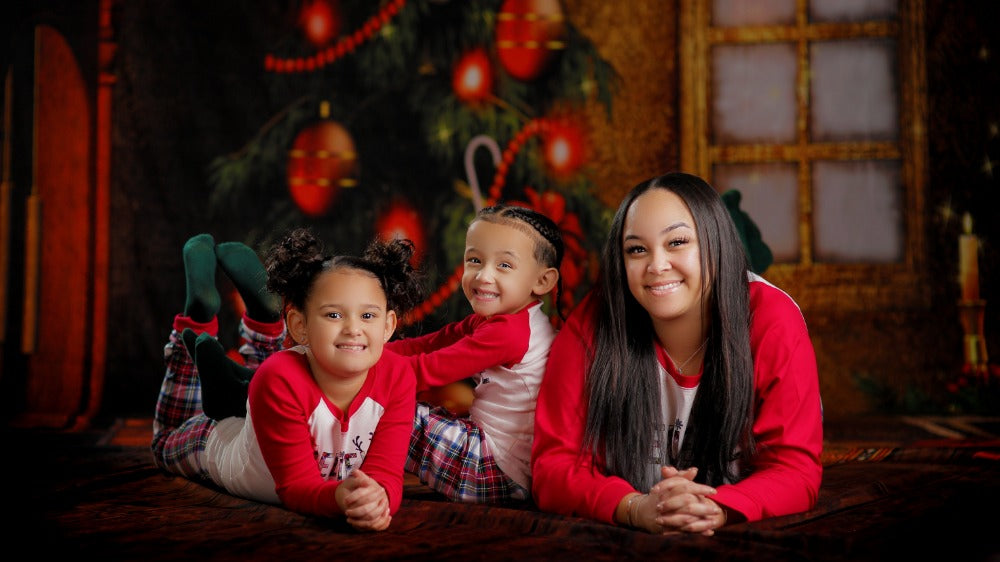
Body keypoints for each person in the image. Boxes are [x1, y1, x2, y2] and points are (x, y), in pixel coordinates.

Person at [530, 172, 823, 534]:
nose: (656, 265)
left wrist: (714, 508)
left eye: (677, 242)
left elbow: (794, 469)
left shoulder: (772, 321)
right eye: (636, 249)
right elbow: (553, 465)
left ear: (715, 243)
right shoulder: (594, 322)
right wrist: (635, 508)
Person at [151, 229, 424, 531]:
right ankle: (196, 321)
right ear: (298, 324)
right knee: (165, 440)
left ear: (388, 326)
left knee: (277, 376)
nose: (353, 329)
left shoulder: (397, 376)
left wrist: (379, 500)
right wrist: (340, 499)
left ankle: (262, 324)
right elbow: (296, 487)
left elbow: (386, 473)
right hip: (225, 447)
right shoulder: (278, 378)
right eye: (334, 315)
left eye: (368, 316)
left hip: (274, 409)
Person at [386, 205, 564, 503]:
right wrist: (372, 352)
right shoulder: (497, 319)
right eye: (475, 260)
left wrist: (358, 370)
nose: (483, 275)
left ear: (542, 281)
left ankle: (330, 467)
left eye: (504, 265)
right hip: (491, 455)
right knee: (392, 403)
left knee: (385, 409)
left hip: (493, 469)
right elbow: (430, 344)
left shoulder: (509, 332)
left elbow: (429, 369)